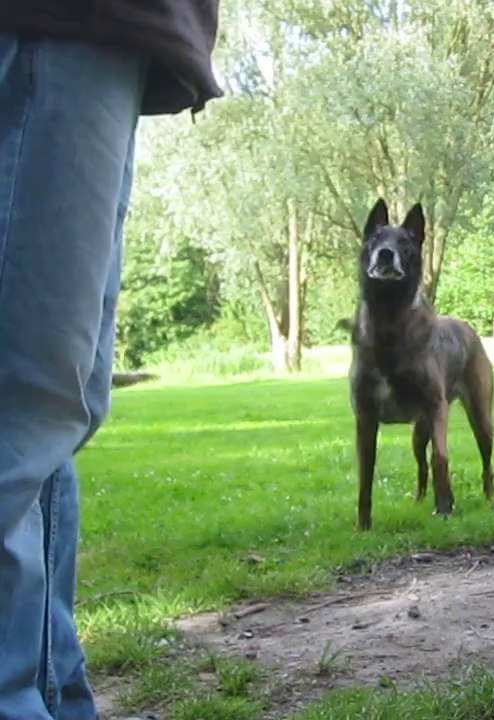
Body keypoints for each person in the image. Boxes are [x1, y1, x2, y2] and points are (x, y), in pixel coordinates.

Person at [0, 3, 222, 718]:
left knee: (62, 412)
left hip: (112, 38)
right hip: (50, 23)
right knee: (20, 410)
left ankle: (57, 699)